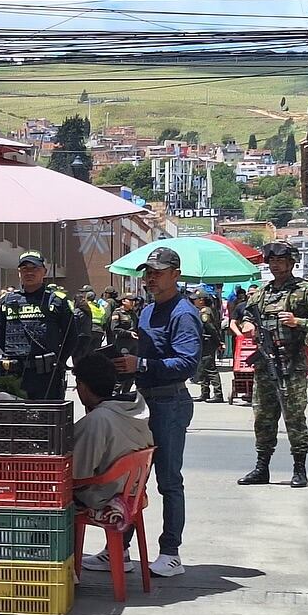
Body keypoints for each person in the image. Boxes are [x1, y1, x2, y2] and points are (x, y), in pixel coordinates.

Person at [107, 246, 200, 578]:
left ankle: (171, 552)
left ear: (176, 274)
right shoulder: (146, 312)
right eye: (147, 273)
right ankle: (120, 548)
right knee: (134, 479)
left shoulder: (183, 313)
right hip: (145, 400)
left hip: (171, 403)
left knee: (169, 481)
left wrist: (142, 362)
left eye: (157, 272)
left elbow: (188, 363)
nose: (149, 278)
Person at [236, 242, 308, 489]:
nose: (275, 265)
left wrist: (297, 321)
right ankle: (261, 467)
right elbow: (247, 314)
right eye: (272, 261)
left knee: (294, 417)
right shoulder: (262, 293)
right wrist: (248, 325)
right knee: (263, 418)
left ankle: (299, 469)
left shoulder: (306, 291)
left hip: (291, 363)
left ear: (291, 263)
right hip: (265, 364)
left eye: (281, 260)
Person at [71, 353, 154, 518]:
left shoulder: (98, 420)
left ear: (82, 385)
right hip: (130, 490)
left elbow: (78, 473)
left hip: (104, 495)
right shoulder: (133, 408)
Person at [0, 250, 81, 400]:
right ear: (19, 273)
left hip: (46, 375)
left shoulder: (57, 300)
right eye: (24, 269)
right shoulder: (7, 300)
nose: (29, 272)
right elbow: (0, 336)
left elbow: (71, 337)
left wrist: (58, 361)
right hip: (14, 375)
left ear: (44, 272)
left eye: (34, 268)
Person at [193, 289, 225, 402]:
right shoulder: (205, 310)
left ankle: (218, 394)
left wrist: (218, 342)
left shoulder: (204, 312)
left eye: (195, 299)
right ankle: (204, 393)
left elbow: (211, 328)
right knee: (204, 367)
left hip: (207, 342)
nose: (194, 301)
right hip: (205, 342)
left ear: (201, 300)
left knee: (210, 368)